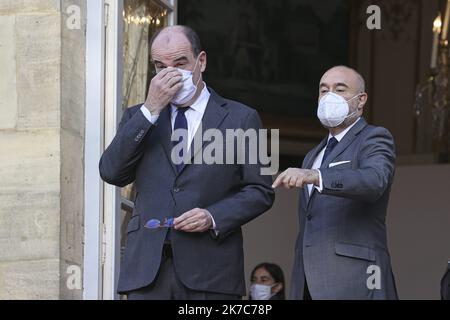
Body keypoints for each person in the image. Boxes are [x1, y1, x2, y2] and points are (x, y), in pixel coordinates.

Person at [99, 25, 274, 300]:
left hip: (211, 272)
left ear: (200, 61)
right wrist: (150, 110)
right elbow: (110, 172)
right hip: (147, 272)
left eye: (180, 63)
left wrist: (213, 216)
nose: (171, 73)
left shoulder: (244, 118)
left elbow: (261, 191)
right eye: (161, 66)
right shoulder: (138, 116)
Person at [273, 66, 398, 300]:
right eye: (324, 90)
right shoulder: (313, 154)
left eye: (340, 89)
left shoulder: (373, 137)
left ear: (361, 100)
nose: (329, 96)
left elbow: (375, 181)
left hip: (356, 279)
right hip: (309, 282)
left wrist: (317, 176)